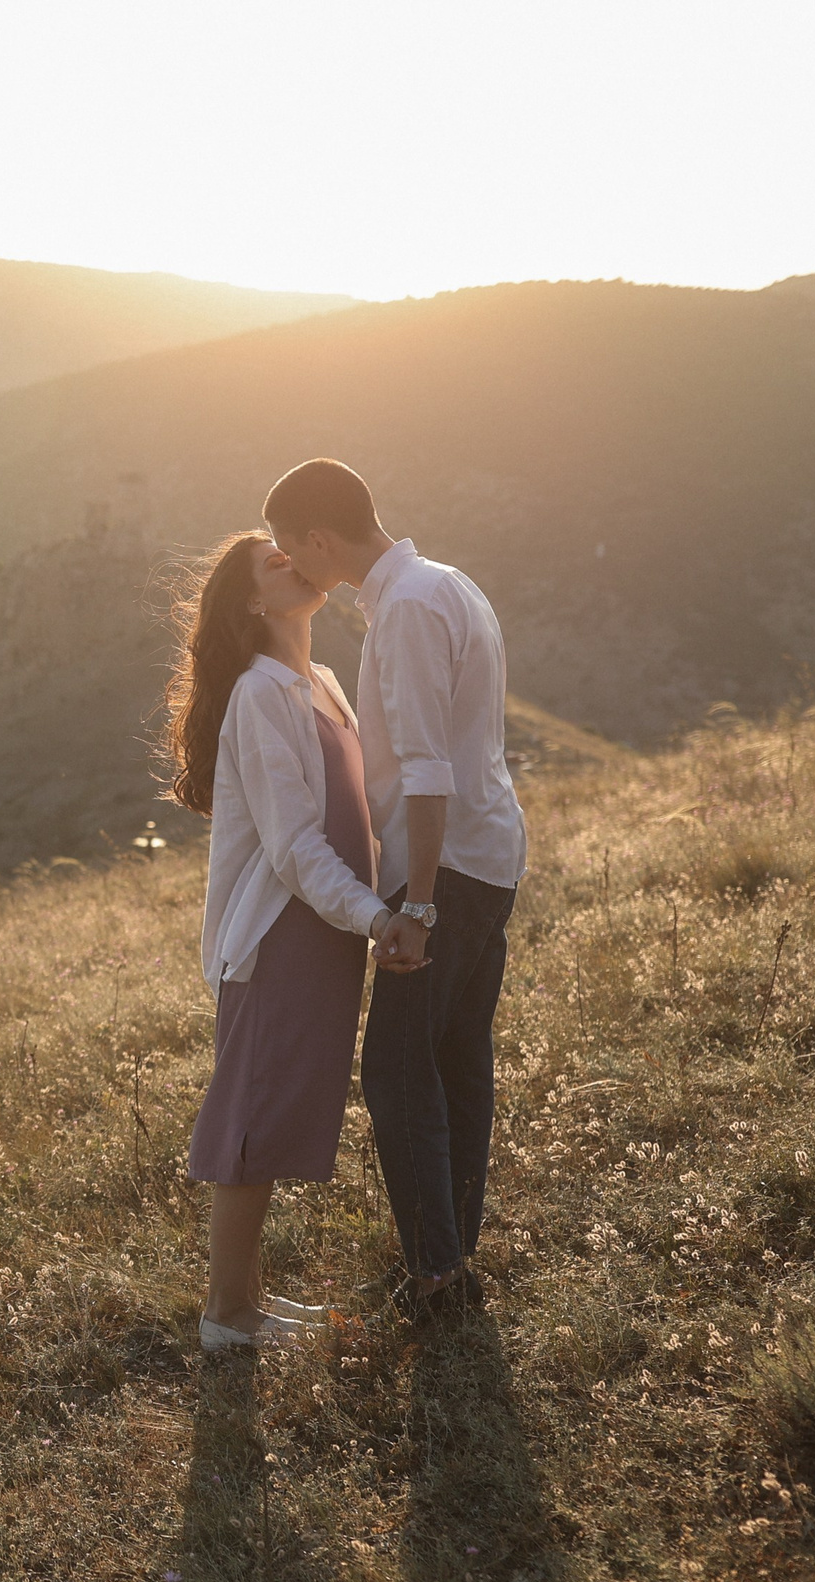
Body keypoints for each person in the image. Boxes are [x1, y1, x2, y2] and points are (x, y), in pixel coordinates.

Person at [261, 459, 528, 1322]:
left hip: (445, 868)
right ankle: (451, 1254)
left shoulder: (408, 608)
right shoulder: (444, 582)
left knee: (397, 1069)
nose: (291, 566)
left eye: (288, 549)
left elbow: (426, 767)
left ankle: (437, 1275)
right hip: (489, 853)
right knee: (455, 1058)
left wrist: (416, 905)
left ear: (319, 539)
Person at [166, 532, 401, 1351]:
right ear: (252, 603)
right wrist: (375, 916)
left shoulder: (322, 683)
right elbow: (295, 847)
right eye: (274, 561)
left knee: (273, 1111)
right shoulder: (260, 695)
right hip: (279, 937)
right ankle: (226, 1315)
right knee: (251, 1116)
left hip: (323, 934)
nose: (295, 559)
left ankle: (248, 1300)